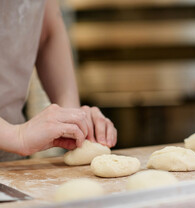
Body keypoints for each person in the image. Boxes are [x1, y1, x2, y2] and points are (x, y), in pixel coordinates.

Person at [0, 0, 117, 161]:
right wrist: (16, 136)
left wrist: (73, 120)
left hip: (9, 161)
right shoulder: (17, 136)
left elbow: (48, 32)